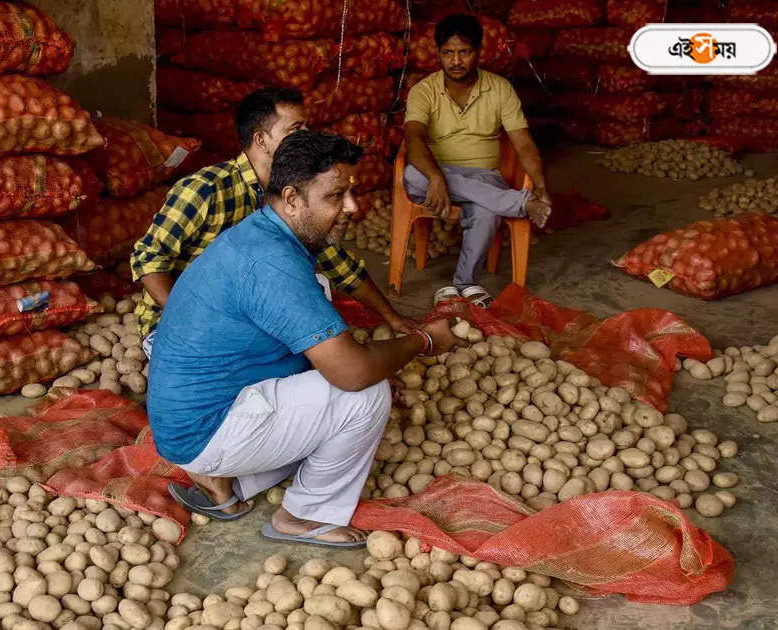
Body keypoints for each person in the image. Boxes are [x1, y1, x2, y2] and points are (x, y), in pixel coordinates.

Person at [148, 131, 458, 547]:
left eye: (350, 193)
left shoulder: (264, 233)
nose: (352, 207)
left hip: (187, 418)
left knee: (335, 341)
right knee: (364, 397)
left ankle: (222, 483)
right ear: (292, 198)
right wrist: (423, 342)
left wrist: (380, 357)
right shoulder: (273, 264)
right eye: (335, 196)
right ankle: (302, 516)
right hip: (202, 430)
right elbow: (352, 374)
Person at [131, 87, 415, 357]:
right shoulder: (205, 189)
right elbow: (149, 257)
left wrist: (392, 318)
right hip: (175, 324)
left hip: (246, 316)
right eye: (295, 130)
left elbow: (338, 263)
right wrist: (185, 317)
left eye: (307, 127)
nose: (306, 136)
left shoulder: (295, 193)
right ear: (261, 140)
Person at [402, 13, 552, 308]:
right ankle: (519, 203)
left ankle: (465, 283)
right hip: (434, 172)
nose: (456, 61)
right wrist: (436, 177)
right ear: (438, 54)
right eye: (448, 53)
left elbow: (522, 142)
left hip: (485, 176)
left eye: (464, 52)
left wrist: (541, 185)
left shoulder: (500, 89)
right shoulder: (423, 91)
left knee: (485, 210)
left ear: (479, 52)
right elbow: (414, 139)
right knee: (412, 173)